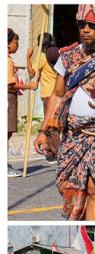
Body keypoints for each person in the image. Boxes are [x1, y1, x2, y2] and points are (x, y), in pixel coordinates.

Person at [33, 5, 95, 220]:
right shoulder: (67, 56)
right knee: (66, 185)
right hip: (71, 133)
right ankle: (78, 220)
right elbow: (57, 95)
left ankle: (91, 228)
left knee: (94, 187)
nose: (85, 29)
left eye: (92, 25)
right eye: (82, 25)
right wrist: (44, 130)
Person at [8, 28, 39, 177]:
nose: (17, 45)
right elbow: (9, 84)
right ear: (7, 44)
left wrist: (28, 57)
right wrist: (29, 86)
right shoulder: (6, 61)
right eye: (15, 42)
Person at [27, 33, 59, 164]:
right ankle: (52, 151)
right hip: (58, 93)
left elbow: (31, 73)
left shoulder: (41, 57)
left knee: (50, 124)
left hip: (48, 94)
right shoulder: (57, 54)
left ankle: (54, 152)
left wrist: (27, 58)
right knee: (54, 123)